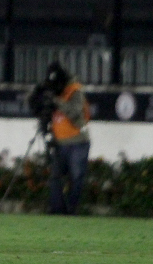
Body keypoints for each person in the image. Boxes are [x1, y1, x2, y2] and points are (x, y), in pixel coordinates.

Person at [31, 61, 91, 215]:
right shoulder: (51, 90)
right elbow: (34, 104)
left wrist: (56, 101)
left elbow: (74, 113)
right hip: (59, 142)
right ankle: (57, 210)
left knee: (76, 177)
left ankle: (71, 209)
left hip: (78, 141)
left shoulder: (75, 90)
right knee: (55, 177)